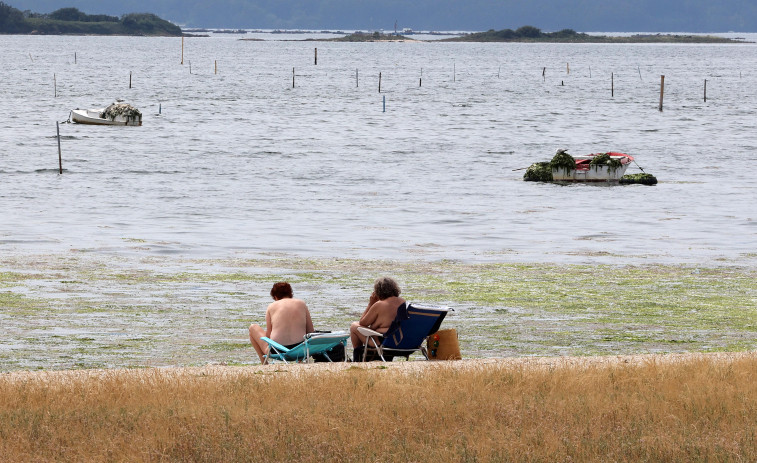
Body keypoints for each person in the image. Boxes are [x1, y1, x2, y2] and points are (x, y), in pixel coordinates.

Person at [249, 282, 314, 364]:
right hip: (301, 350)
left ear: (275, 297)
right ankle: (300, 361)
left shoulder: (271, 306)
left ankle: (264, 363)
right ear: (290, 294)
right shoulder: (301, 304)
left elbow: (268, 336)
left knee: (252, 328)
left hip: (277, 350)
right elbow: (310, 331)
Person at [349, 277, 406, 356]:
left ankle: (359, 355)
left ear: (378, 291)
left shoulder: (380, 304)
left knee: (354, 326)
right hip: (401, 341)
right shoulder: (403, 302)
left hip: (384, 342)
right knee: (374, 327)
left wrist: (371, 304)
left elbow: (363, 323)